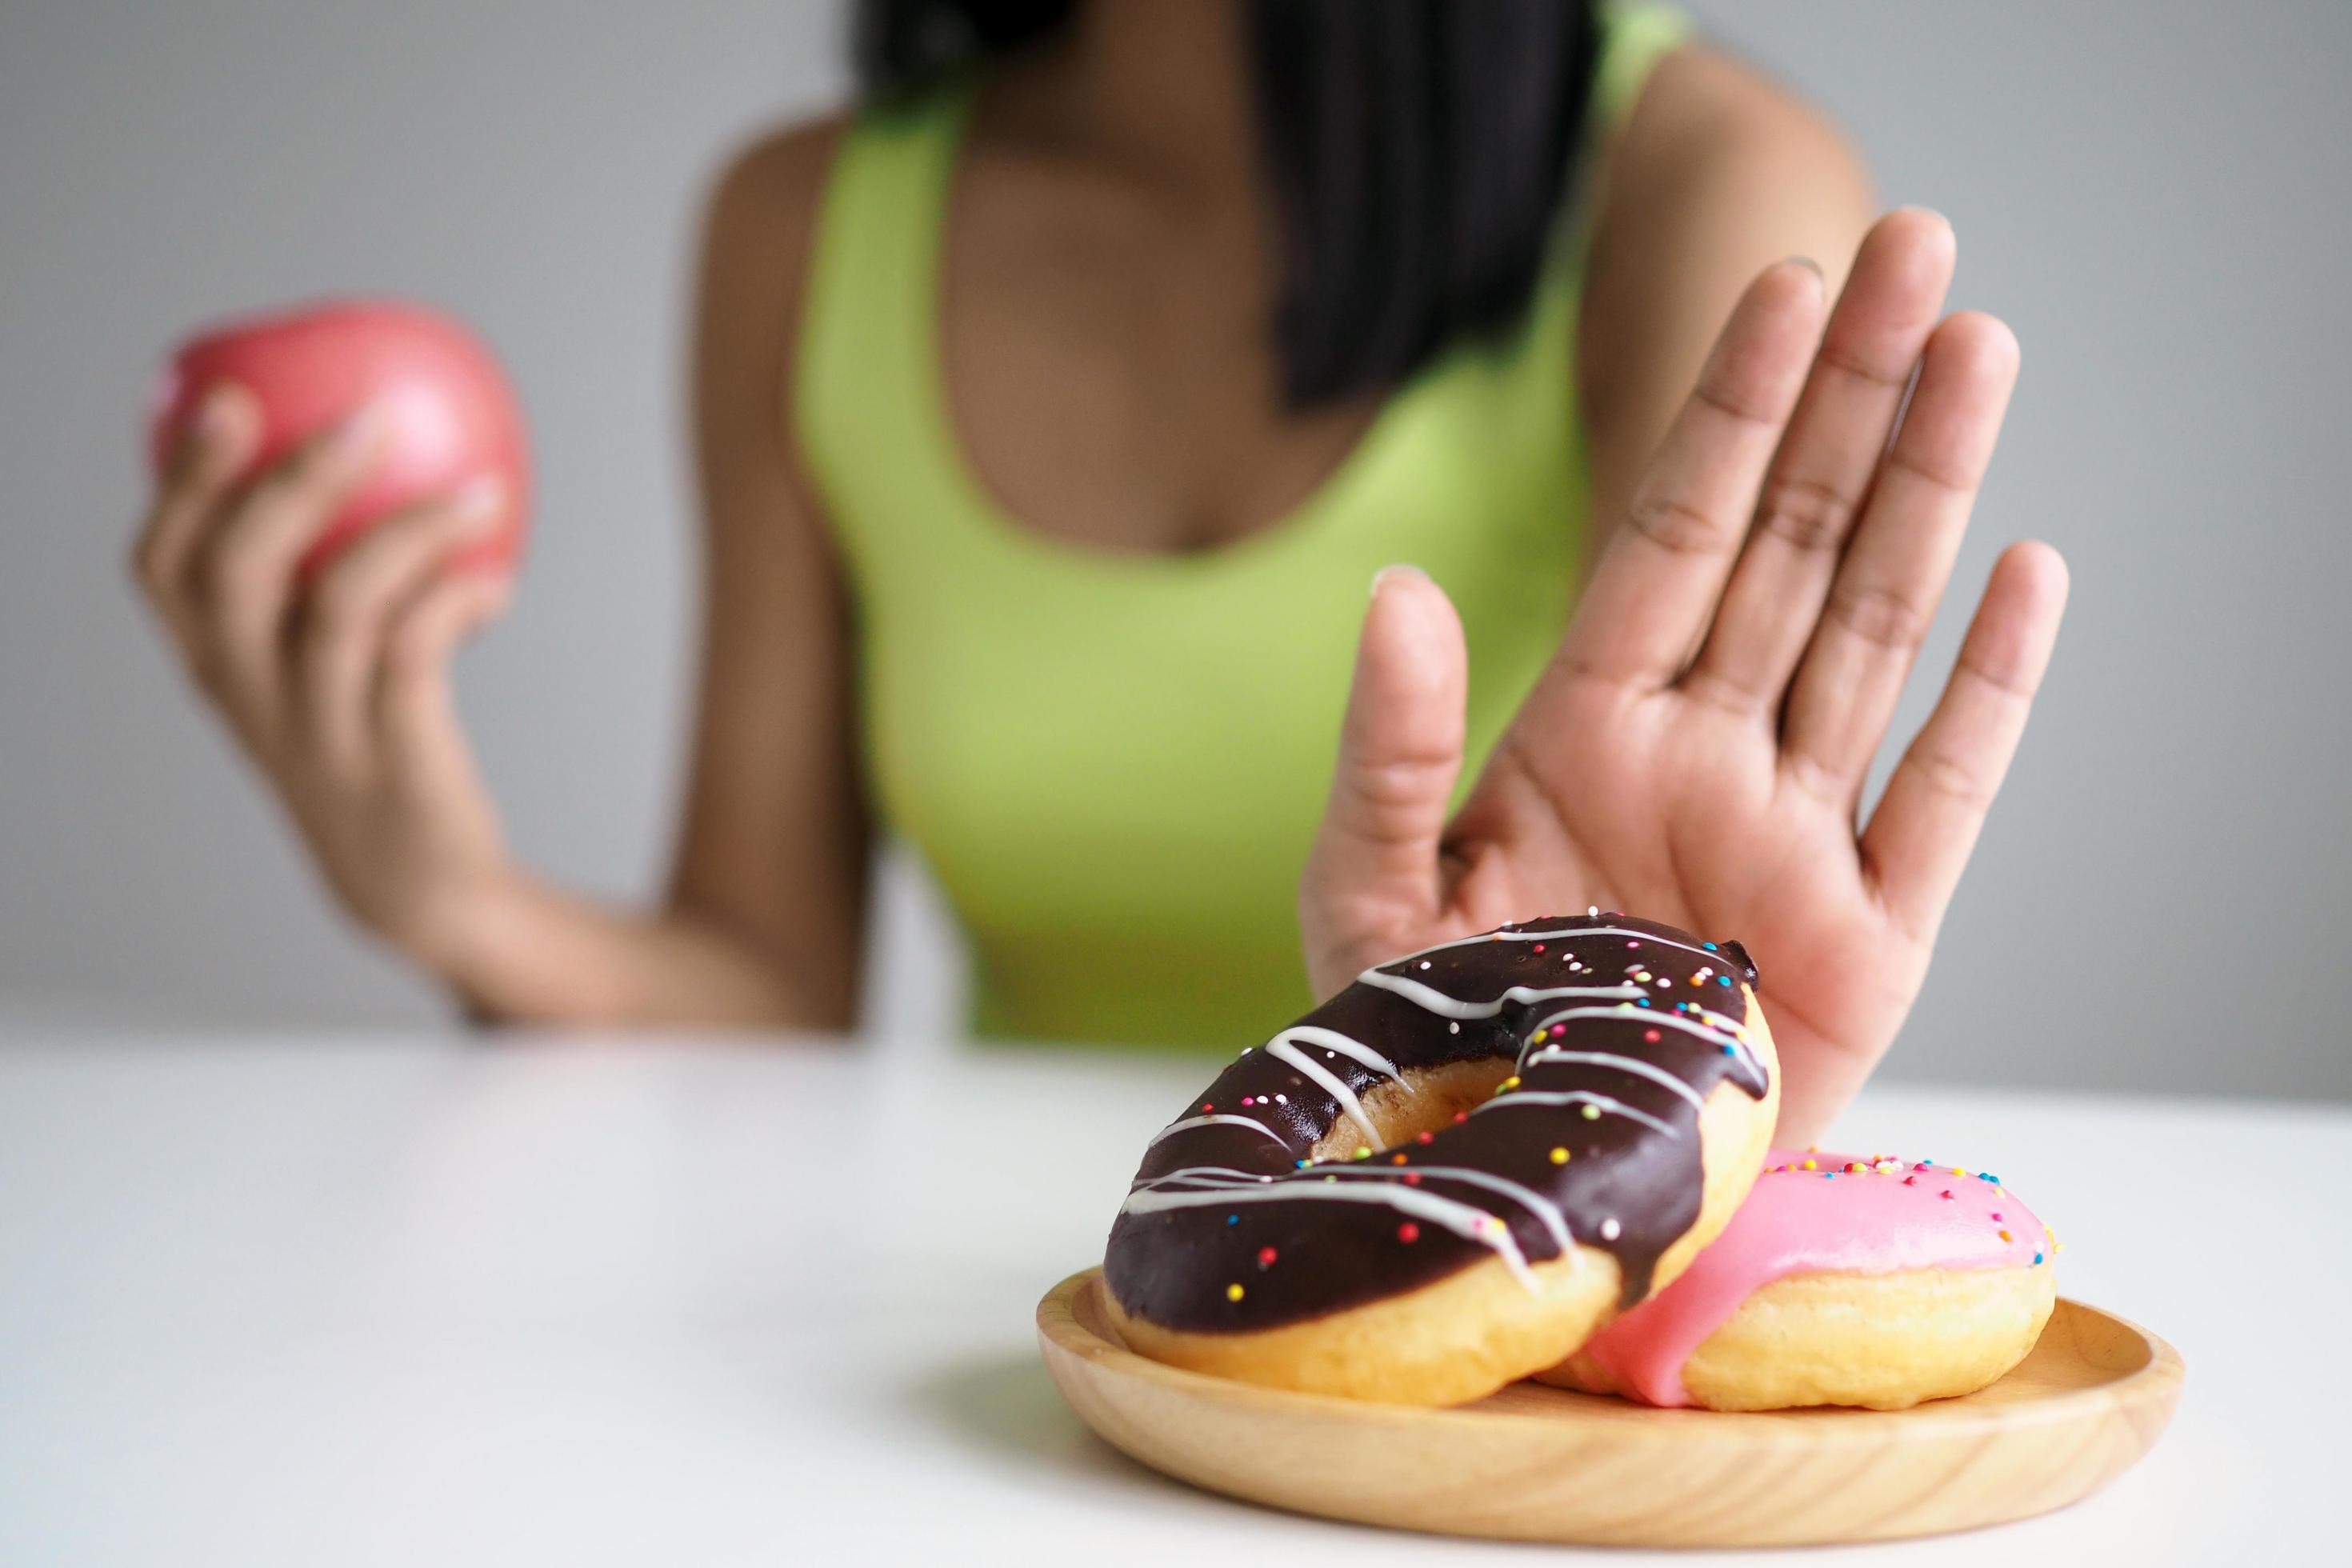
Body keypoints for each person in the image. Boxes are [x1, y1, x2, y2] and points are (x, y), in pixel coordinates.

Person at [131, 0, 2066, 1142]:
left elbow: (1705, 975)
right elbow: (767, 986)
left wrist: (1570, 1050)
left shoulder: (1698, 184)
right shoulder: (803, 225)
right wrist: (446, 894)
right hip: (977, 1360)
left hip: (1491, 1316)